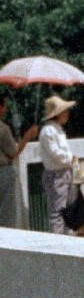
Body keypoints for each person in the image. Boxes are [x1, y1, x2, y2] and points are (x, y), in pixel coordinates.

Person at [36, 96, 78, 234]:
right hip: (56, 174)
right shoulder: (48, 130)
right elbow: (55, 153)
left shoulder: (57, 129)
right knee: (58, 211)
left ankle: (66, 238)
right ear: (58, 113)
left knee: (67, 210)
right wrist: (70, 158)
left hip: (64, 172)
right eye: (65, 111)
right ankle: (57, 240)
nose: (67, 113)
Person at [0, 95, 21, 228]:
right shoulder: (3, 128)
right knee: (6, 213)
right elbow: (13, 153)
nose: (6, 110)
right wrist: (26, 138)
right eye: (4, 107)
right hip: (3, 172)